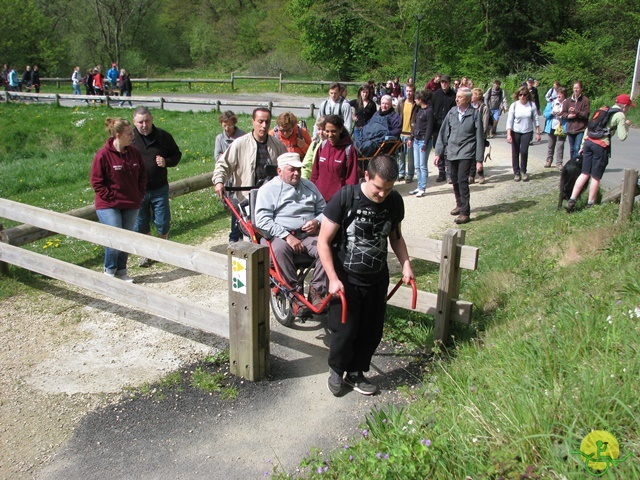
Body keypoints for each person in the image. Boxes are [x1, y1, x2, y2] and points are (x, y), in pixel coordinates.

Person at [317, 154, 414, 396]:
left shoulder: (394, 202)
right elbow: (323, 242)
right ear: (367, 176)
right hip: (345, 278)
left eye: (389, 189)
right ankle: (337, 371)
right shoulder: (345, 198)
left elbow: (396, 237)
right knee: (345, 330)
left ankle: (357, 373)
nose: (383, 194)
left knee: (371, 330)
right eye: (379, 188)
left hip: (377, 278)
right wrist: (332, 278)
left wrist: (406, 264)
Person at [254, 152, 328, 314]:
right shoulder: (268, 190)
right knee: (279, 249)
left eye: (299, 170)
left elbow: (325, 211)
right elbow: (261, 220)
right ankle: (294, 294)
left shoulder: (309, 186)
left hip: (307, 235)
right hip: (279, 236)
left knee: (327, 248)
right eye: (291, 170)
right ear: (279, 171)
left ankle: (317, 290)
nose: (296, 173)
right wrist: (287, 236)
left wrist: (317, 221)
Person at [212, 107, 287, 241]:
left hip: (271, 202)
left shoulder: (278, 146)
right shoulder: (239, 144)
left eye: (267, 122)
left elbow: (288, 168)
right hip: (246, 200)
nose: (264, 126)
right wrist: (219, 181)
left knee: (271, 238)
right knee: (249, 238)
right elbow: (223, 164)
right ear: (253, 122)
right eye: (260, 121)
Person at [90, 117, 146, 282]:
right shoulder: (103, 155)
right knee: (114, 237)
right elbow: (96, 182)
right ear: (118, 135)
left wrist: (139, 194)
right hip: (108, 205)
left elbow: (142, 176)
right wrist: (111, 198)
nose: (132, 137)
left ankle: (121, 270)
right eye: (129, 134)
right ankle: (109, 270)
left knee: (126, 238)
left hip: (131, 203)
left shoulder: (134, 153)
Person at [565, 94, 635, 212]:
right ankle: (590, 204)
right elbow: (622, 136)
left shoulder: (603, 109)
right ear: (624, 105)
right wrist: (626, 125)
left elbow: (589, 128)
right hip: (601, 146)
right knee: (596, 177)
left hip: (588, 143)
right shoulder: (620, 115)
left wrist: (582, 145)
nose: (628, 109)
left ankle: (572, 199)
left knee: (584, 173)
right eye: (628, 107)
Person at [131, 107, 182, 267]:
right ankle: (149, 252)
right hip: (138, 190)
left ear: (152, 119)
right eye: (140, 122)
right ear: (134, 122)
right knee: (140, 223)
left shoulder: (163, 136)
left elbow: (177, 155)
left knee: (162, 221)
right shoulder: (130, 138)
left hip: (159, 187)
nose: (144, 125)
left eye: (147, 121)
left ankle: (162, 247)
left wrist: (166, 162)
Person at [434, 88, 484, 225]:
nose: (457, 99)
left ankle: (465, 212)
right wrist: (438, 152)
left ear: (467, 99)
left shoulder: (474, 114)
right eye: (457, 96)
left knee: (462, 180)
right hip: (452, 152)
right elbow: (443, 133)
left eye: (460, 97)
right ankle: (459, 204)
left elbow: (480, 137)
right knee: (454, 180)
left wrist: (479, 160)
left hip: (466, 152)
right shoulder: (452, 112)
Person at [311, 115, 359, 201]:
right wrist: (311, 190)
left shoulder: (349, 150)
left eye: (333, 131)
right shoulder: (323, 146)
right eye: (327, 131)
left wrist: (347, 199)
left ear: (340, 130)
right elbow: (315, 172)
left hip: (338, 200)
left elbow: (352, 179)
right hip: (319, 198)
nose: (330, 135)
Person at [506, 86, 541, 182]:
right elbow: (509, 121)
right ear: (517, 96)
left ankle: (523, 171)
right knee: (515, 152)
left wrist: (538, 132)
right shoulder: (514, 105)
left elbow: (536, 119)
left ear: (527, 96)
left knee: (524, 151)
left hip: (527, 131)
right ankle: (516, 172)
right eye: (520, 95)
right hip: (515, 131)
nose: (522, 97)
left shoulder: (531, 105)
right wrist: (509, 134)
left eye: (524, 95)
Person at [407, 89, 434, 197]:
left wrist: (425, 143)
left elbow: (429, 128)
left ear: (420, 99)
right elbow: (416, 126)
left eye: (416, 99)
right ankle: (419, 186)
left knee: (423, 166)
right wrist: (411, 138)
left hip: (424, 140)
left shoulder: (429, 111)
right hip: (416, 139)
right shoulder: (419, 110)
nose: (415, 100)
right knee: (417, 166)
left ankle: (422, 187)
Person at [431, 74, 457, 182]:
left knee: (448, 150)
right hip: (437, 126)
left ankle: (449, 172)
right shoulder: (435, 95)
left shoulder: (453, 96)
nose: (444, 84)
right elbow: (432, 109)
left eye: (446, 82)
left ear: (449, 83)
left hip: (449, 126)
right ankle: (441, 172)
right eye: (442, 82)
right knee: (439, 150)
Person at [561, 81, 591, 160]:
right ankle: (573, 164)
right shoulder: (567, 101)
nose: (575, 90)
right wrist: (568, 116)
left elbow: (586, 114)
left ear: (581, 89)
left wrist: (576, 111)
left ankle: (576, 164)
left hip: (580, 128)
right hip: (570, 128)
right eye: (574, 88)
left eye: (577, 88)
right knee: (572, 149)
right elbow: (563, 113)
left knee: (577, 148)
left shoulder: (585, 100)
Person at [396, 85, 417, 183]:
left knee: (410, 156)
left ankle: (410, 174)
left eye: (410, 91)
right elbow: (397, 117)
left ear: (413, 92)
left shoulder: (416, 105)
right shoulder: (401, 103)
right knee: (401, 155)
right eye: (407, 91)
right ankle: (401, 173)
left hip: (411, 134)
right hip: (401, 133)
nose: (408, 93)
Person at [542, 87, 567, 169]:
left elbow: (569, 114)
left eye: (561, 94)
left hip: (562, 126)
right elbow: (545, 114)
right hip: (552, 126)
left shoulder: (566, 103)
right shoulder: (552, 103)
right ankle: (549, 160)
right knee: (551, 144)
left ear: (564, 95)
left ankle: (559, 163)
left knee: (560, 145)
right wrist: (551, 113)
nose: (559, 95)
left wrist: (562, 114)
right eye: (558, 93)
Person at [469, 87, 490, 184]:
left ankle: (481, 174)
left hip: (480, 136)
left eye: (472, 95)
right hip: (471, 135)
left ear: (477, 96)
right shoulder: (470, 107)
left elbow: (485, 123)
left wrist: (481, 134)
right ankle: (471, 175)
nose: (471, 97)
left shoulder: (484, 108)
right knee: (471, 155)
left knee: (479, 155)